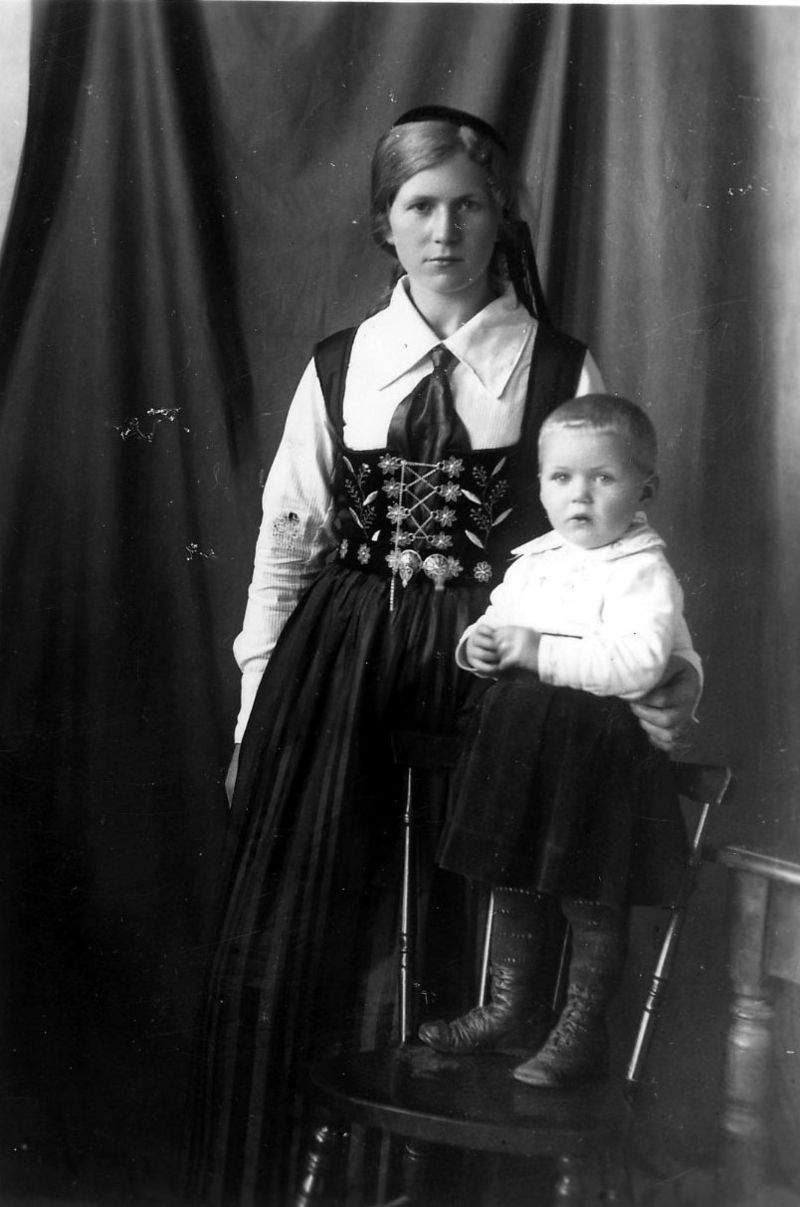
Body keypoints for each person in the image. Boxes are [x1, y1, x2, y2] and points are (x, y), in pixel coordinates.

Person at [185, 106, 700, 1206]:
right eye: (419, 206)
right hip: (343, 669)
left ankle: (457, 1181)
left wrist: (667, 675)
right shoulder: (341, 365)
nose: (444, 230)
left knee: (494, 893)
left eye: (468, 205)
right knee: (319, 918)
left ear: (500, 215)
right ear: (384, 222)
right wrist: (255, 712)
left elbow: (615, 552)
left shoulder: (557, 364)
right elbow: (287, 547)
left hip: (498, 667)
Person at [417, 393, 696, 1089]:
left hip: (597, 763)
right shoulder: (534, 561)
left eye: (604, 478)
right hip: (524, 755)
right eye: (562, 478)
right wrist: (477, 647)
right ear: (540, 486)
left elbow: (640, 664)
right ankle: (510, 1008)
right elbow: (495, 620)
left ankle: (582, 1027)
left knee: (591, 896)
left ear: (644, 491)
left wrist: (536, 652)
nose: (580, 495)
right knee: (511, 879)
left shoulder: (642, 571)